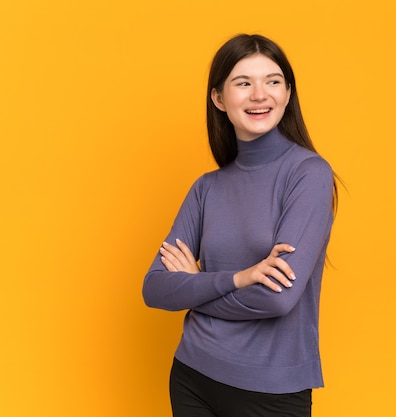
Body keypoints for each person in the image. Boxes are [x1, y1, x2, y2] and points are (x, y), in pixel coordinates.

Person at [142, 33, 337, 417]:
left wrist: (194, 287)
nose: (259, 95)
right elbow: (155, 288)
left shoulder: (308, 175)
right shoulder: (207, 188)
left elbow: (278, 298)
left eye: (273, 81)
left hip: (271, 390)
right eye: (243, 83)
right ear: (218, 98)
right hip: (193, 375)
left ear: (287, 93)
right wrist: (241, 277)